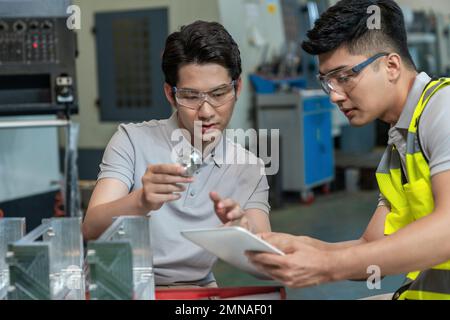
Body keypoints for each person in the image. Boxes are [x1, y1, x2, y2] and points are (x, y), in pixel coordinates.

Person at [247, 0, 450, 300]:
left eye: (344, 77)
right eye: (327, 82)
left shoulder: (442, 109)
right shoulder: (398, 146)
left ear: (391, 66)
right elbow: (371, 247)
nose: (335, 96)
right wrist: (299, 247)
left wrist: (327, 266)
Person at [83, 20, 271, 287]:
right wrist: (141, 202)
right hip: (117, 286)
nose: (206, 111)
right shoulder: (131, 141)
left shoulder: (248, 167)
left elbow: (268, 264)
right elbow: (91, 228)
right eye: (191, 97)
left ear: (237, 88)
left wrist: (243, 233)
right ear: (170, 94)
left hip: (193, 289)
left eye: (218, 94)